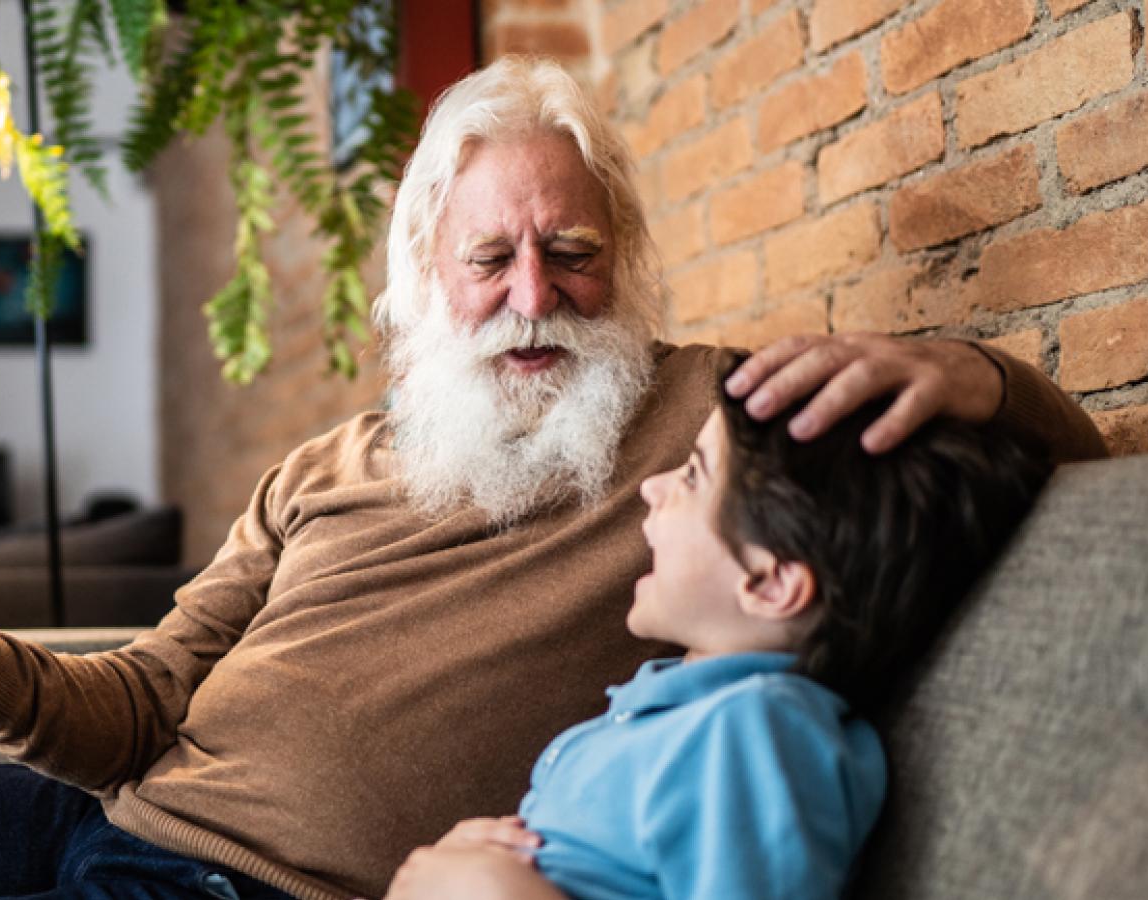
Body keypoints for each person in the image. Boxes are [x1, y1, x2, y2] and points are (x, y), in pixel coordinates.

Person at [0, 57, 1105, 900]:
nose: (534, 295)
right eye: (490, 258)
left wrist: (981, 375)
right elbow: (142, 696)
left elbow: (1029, 464)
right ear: (425, 280)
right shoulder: (325, 466)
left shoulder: (713, 431)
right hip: (107, 829)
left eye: (573, 252)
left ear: (624, 263)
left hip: (270, 896)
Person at [380, 354, 1054, 900]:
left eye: (694, 476)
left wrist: (493, 890)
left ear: (769, 583)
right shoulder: (675, 707)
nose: (652, 488)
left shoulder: (758, 732)